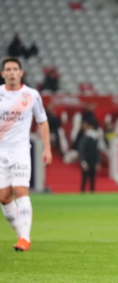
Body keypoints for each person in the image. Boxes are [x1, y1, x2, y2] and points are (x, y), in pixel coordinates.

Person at [0, 56, 52, 251]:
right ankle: (21, 235)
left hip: (20, 150)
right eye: (8, 69)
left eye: (15, 69)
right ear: (3, 73)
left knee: (21, 190)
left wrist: (47, 147)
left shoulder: (31, 95)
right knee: (4, 197)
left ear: (21, 73)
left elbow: (42, 120)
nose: (12, 72)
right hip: (1, 151)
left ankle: (25, 238)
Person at [78, 121, 100, 192]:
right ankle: (82, 193)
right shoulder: (83, 139)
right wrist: (83, 162)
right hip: (86, 161)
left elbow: (97, 152)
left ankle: (92, 193)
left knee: (92, 180)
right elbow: (81, 151)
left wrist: (97, 162)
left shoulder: (95, 140)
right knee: (85, 179)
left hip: (93, 161)